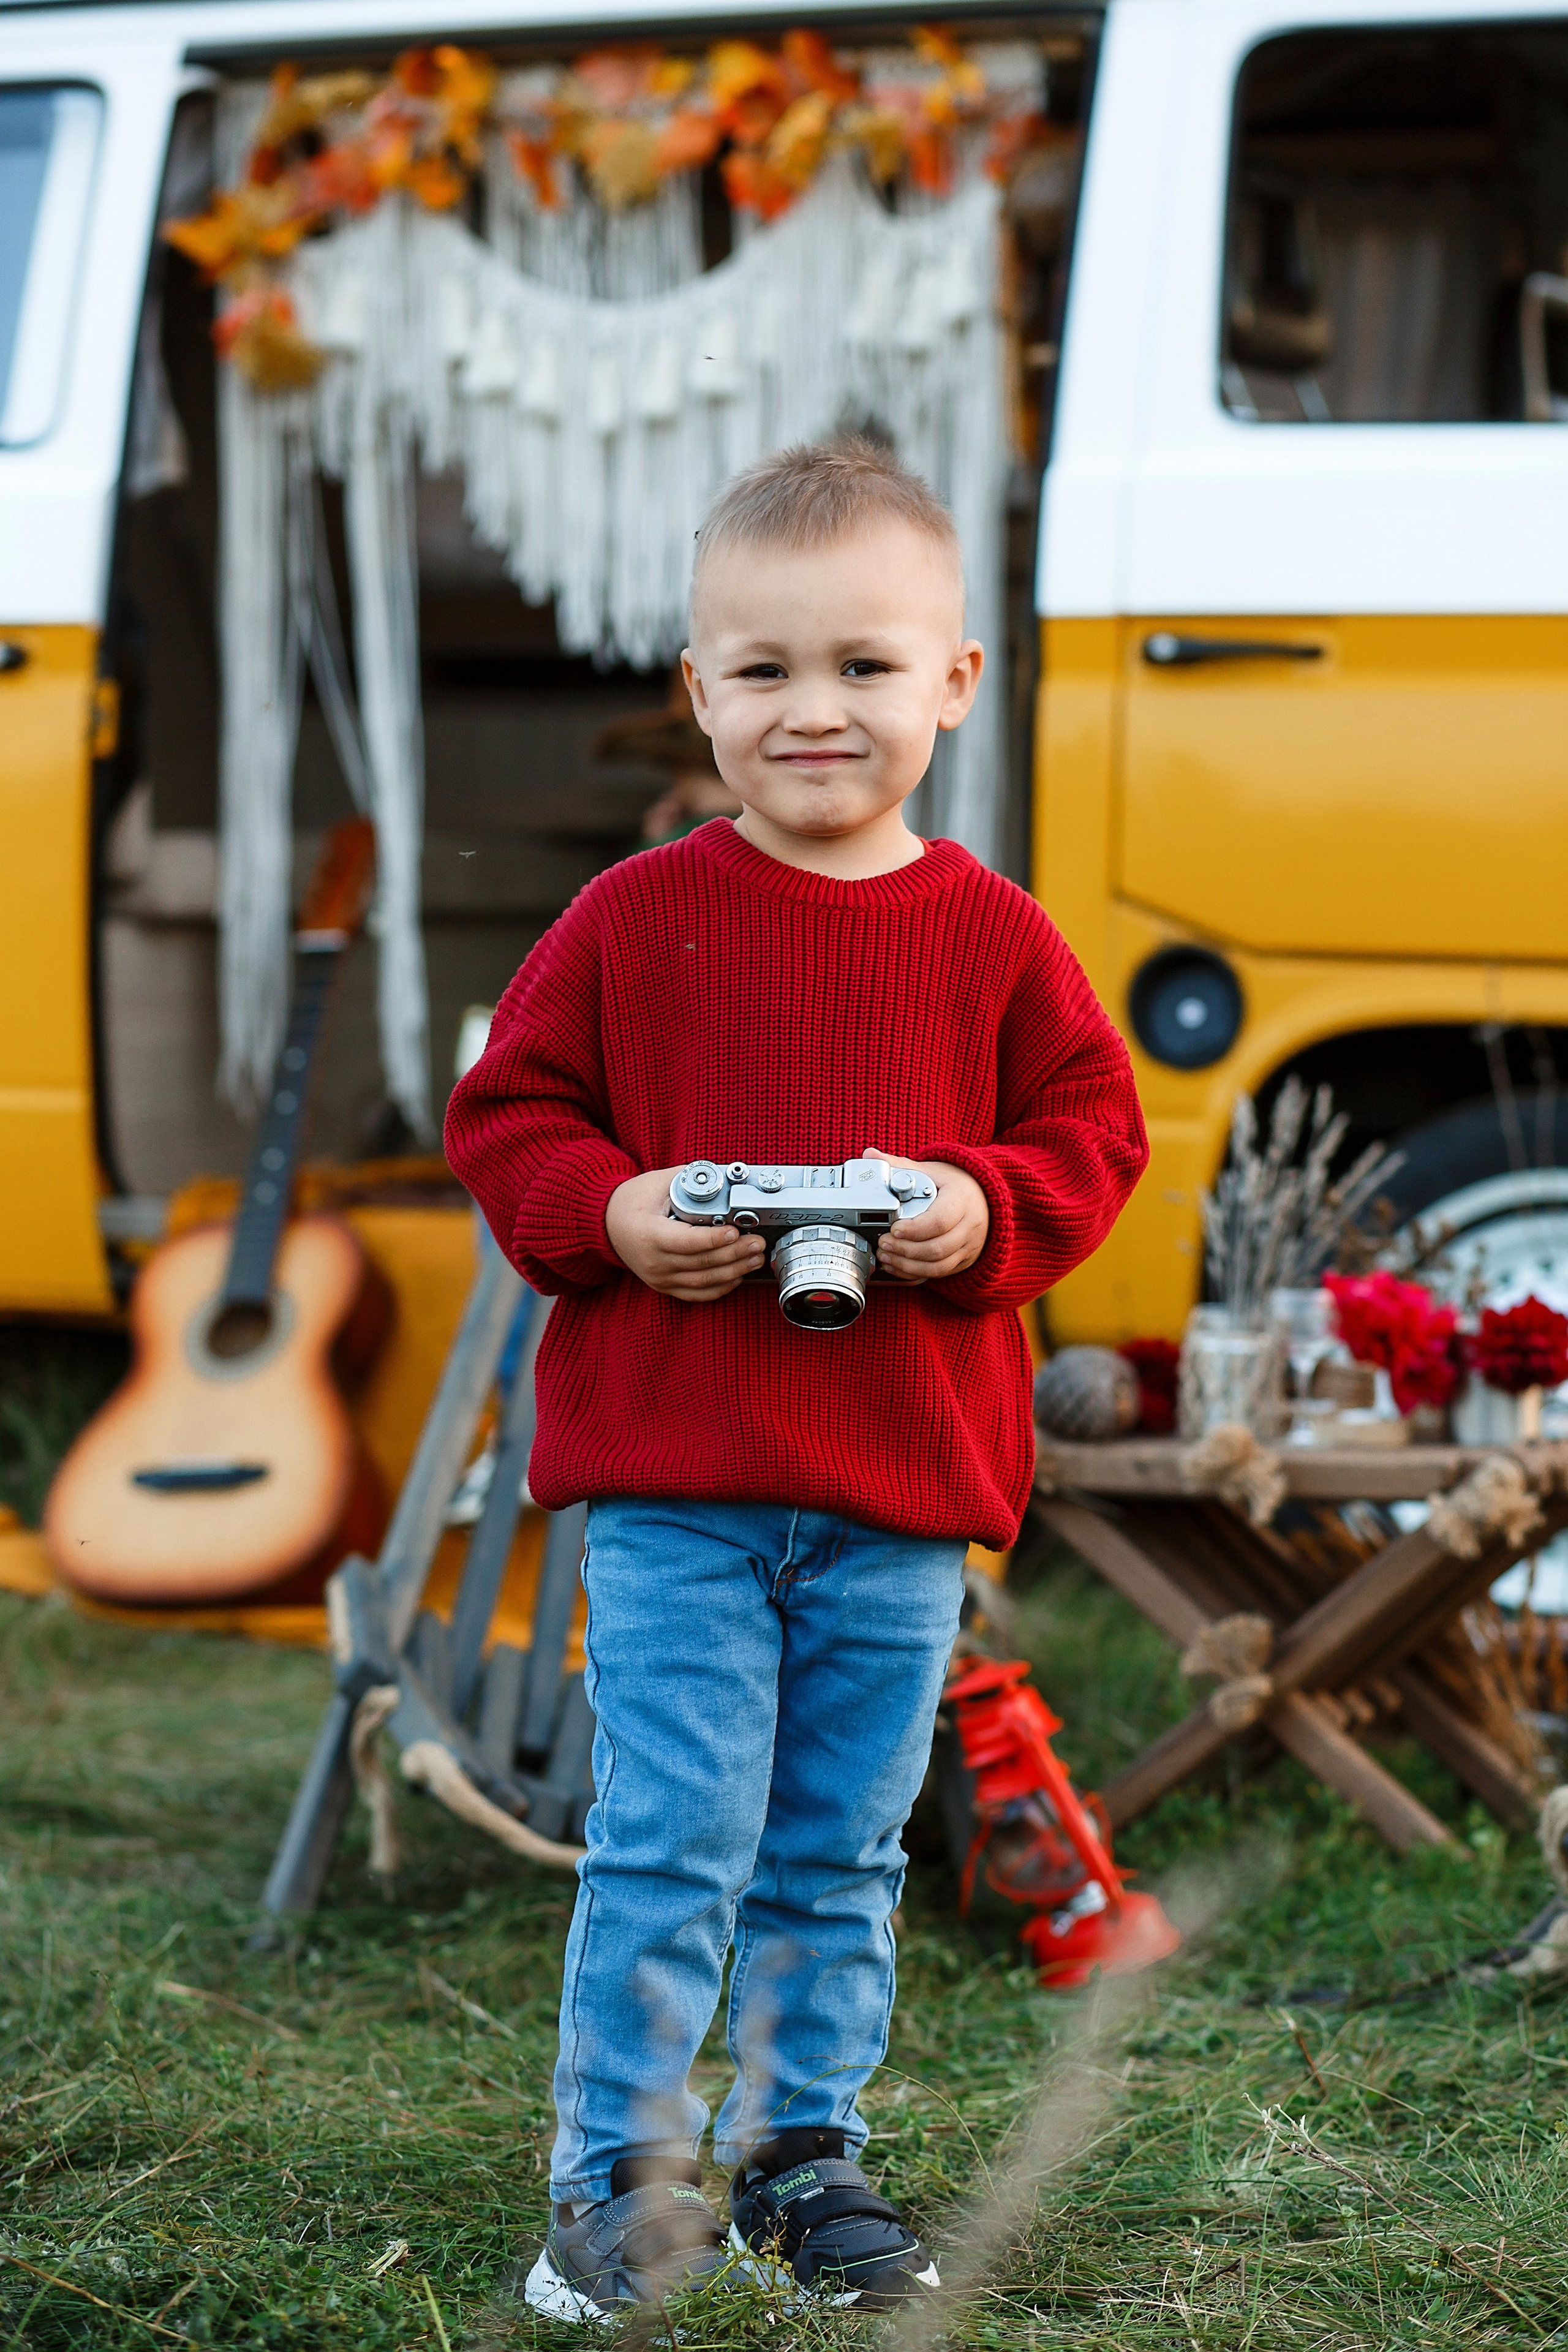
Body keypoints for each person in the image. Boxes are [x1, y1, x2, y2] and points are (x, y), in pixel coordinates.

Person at [444, 437, 1148, 2326]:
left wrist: (973, 1213)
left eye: (862, 666)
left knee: (839, 1849)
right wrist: (621, 1211)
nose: (812, 711)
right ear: (698, 690)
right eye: (761, 672)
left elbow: (1097, 1136)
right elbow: (507, 1117)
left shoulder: (995, 937)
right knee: (670, 1837)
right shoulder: (634, 916)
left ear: (953, 684)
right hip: (678, 1481)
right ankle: (621, 2178)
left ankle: (804, 2152)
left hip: (901, 1489)